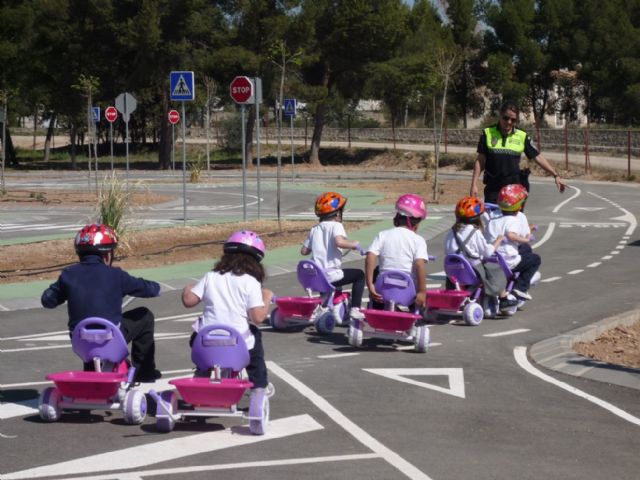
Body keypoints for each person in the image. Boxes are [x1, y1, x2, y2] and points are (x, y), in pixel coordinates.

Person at [41, 223, 162, 382]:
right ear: (107, 255)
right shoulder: (116, 275)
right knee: (145, 316)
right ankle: (144, 371)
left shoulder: (68, 275)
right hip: (110, 339)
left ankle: (91, 371)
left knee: (88, 327)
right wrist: (156, 287)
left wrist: (65, 291)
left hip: (81, 342)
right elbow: (150, 289)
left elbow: (47, 300)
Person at [182, 230, 273, 392]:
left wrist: (188, 289)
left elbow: (189, 301)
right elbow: (258, 317)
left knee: (199, 335)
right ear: (256, 261)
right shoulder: (250, 282)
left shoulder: (211, 276)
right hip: (237, 343)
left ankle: (201, 374)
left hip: (205, 342)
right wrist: (266, 297)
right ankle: (259, 386)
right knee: (255, 340)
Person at [470, 102, 567, 204]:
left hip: (513, 191)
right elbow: (480, 160)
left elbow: (537, 157)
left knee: (513, 220)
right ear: (500, 115)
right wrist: (474, 184)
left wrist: (555, 175)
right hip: (493, 190)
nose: (509, 122)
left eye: (513, 120)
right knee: (492, 220)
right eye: (506, 118)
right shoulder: (487, 133)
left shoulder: (522, 136)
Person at [444, 197, 518, 311]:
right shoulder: (474, 232)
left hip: (453, 271)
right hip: (472, 270)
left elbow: (448, 249)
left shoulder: (452, 231)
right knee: (495, 269)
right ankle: (503, 298)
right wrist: (498, 240)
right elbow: (487, 252)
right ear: (477, 218)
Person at [301, 191, 366, 321]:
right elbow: (339, 242)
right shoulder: (336, 225)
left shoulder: (315, 229)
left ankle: (326, 306)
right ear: (337, 213)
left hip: (316, 276)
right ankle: (355, 308)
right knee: (359, 275)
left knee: (330, 282)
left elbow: (304, 251)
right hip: (331, 275)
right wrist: (354, 244)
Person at [365, 194, 429, 309]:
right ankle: (418, 318)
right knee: (418, 294)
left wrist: (370, 285)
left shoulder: (383, 235)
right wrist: (422, 291)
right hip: (408, 292)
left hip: (383, 289)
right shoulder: (418, 240)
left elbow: (370, 255)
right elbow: (419, 264)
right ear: (415, 222)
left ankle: (377, 306)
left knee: (377, 271)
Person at [485, 184, 541, 302]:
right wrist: (527, 238)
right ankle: (520, 287)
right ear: (519, 206)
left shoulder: (492, 220)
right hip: (508, 261)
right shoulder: (514, 220)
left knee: (524, 252)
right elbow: (513, 235)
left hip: (492, 259)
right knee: (534, 259)